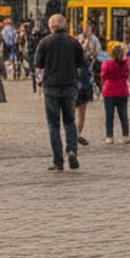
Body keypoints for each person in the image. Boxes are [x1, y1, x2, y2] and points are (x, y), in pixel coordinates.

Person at [34, 14, 85, 172]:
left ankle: (58, 161)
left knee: (53, 124)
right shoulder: (73, 42)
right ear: (65, 25)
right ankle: (71, 150)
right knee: (69, 121)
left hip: (51, 86)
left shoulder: (44, 43)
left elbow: (38, 64)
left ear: (50, 27)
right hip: (70, 85)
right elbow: (81, 63)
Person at [99, 42, 130, 144]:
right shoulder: (125, 64)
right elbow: (126, 76)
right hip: (122, 90)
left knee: (109, 115)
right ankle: (125, 136)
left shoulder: (106, 64)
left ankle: (110, 136)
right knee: (123, 114)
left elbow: (103, 76)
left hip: (109, 91)